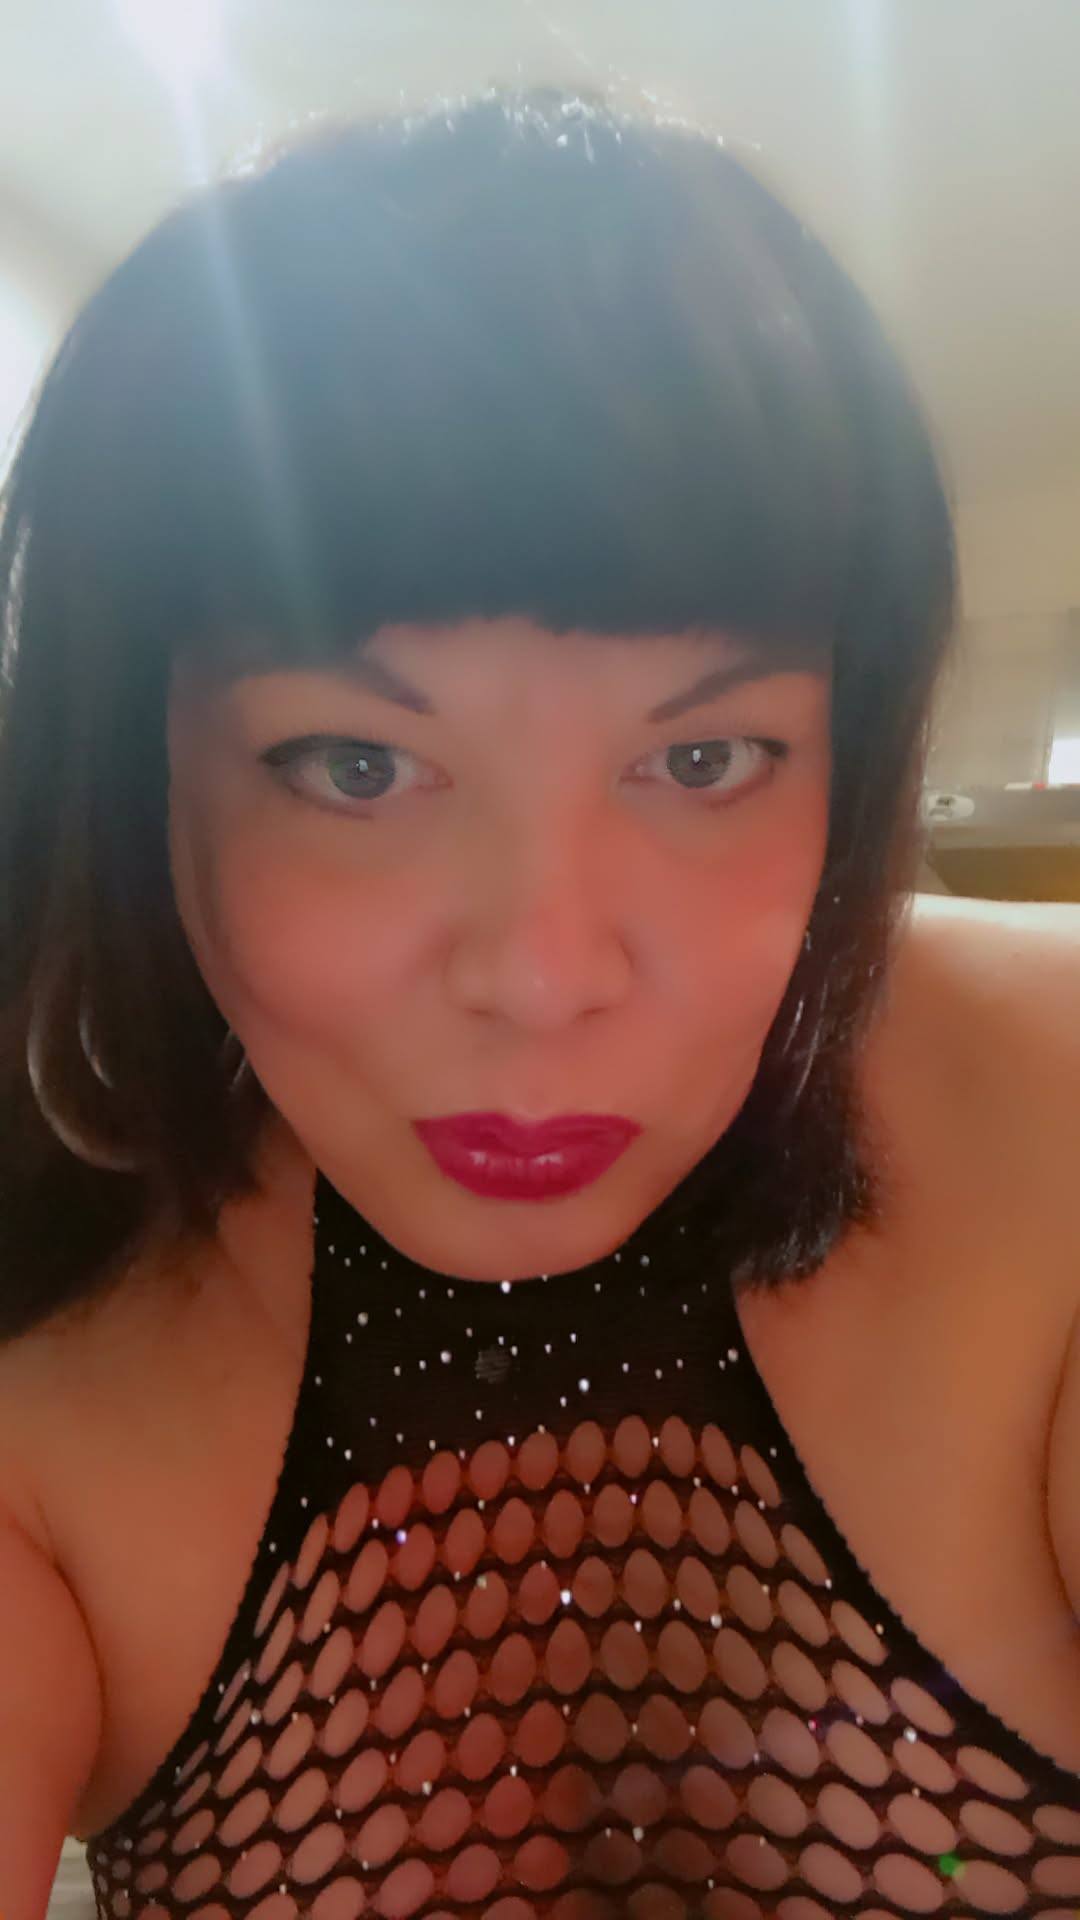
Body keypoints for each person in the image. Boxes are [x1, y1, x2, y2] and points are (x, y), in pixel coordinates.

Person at [1, 88, 1078, 1920]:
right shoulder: (49, 1361)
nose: (545, 975)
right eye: (355, 764)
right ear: (137, 773)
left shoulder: (1058, 1118)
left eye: (706, 757)